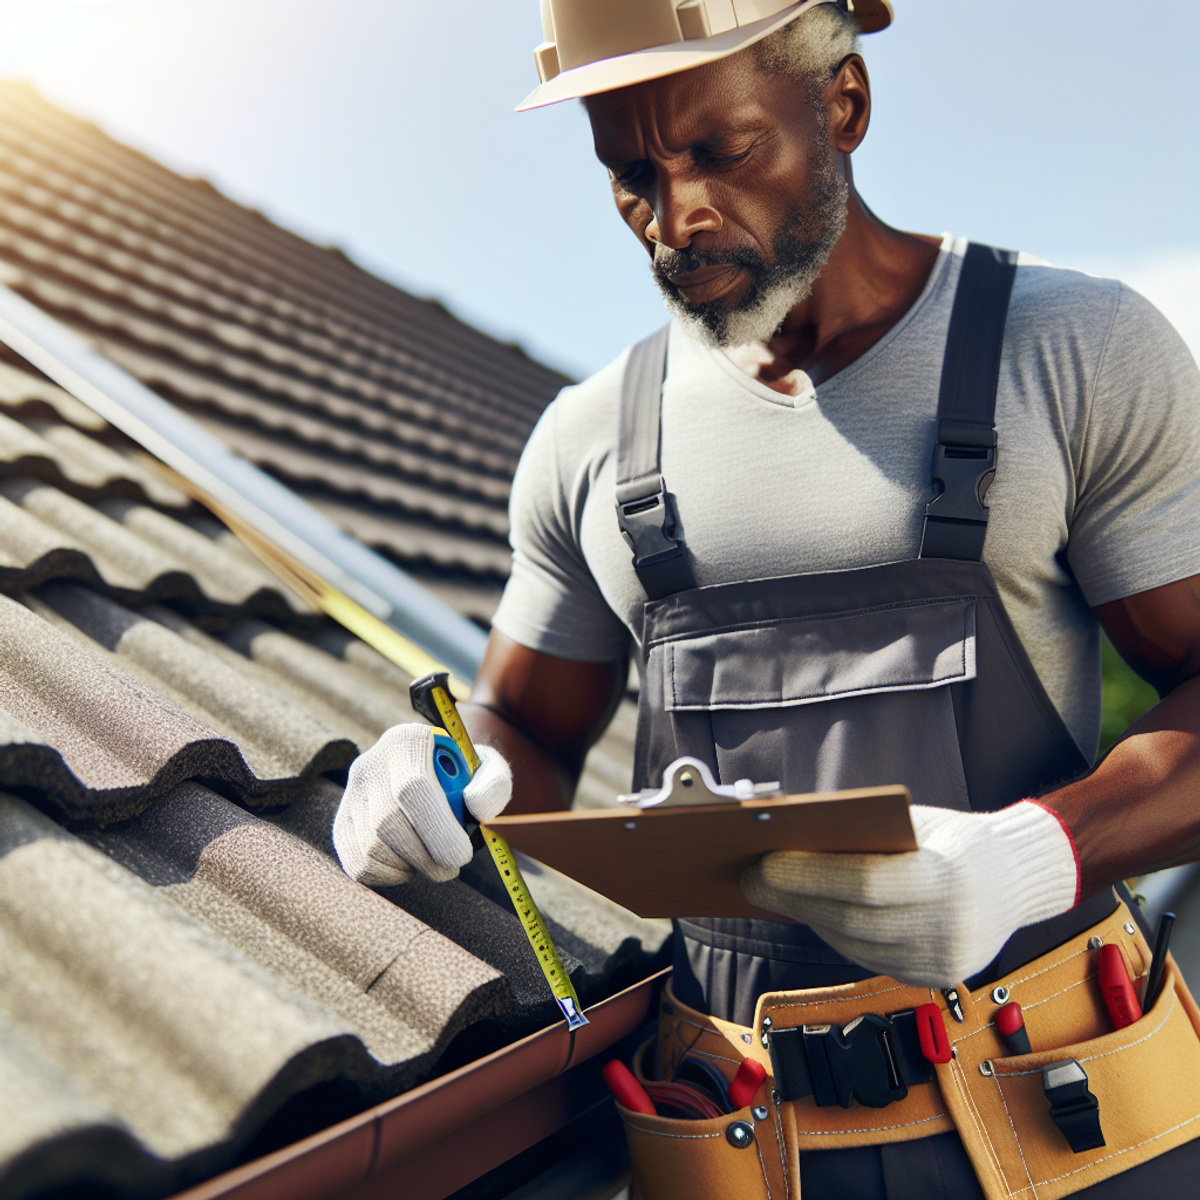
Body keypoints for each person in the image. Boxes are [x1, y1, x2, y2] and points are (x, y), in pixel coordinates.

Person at [333, 1, 1200, 1195]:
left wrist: (1035, 857)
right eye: (630, 175)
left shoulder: (1072, 349)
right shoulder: (588, 443)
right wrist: (434, 770)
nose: (675, 219)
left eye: (720, 152)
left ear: (841, 103)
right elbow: (525, 732)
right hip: (736, 1144)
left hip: (1069, 1115)